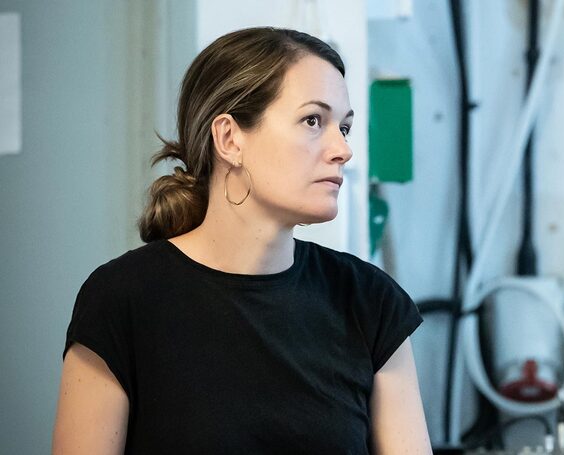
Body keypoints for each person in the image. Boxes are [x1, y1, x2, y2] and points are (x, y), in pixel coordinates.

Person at [52, 27, 430, 454]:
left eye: (342, 127)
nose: (342, 148)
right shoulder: (122, 300)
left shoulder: (370, 302)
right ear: (230, 138)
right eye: (313, 121)